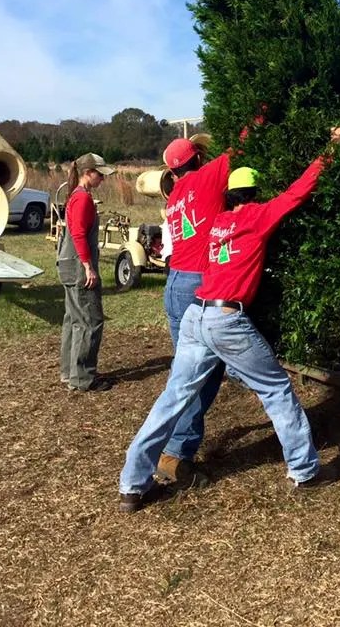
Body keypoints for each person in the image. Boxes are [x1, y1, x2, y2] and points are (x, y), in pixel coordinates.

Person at [118, 126, 340, 512]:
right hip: (226, 318)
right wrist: (329, 150)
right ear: (254, 194)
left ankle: (132, 483)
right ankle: (305, 471)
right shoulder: (257, 217)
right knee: (276, 390)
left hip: (195, 313)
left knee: (173, 397)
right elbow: (296, 192)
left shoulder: (212, 223)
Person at [154, 136, 235, 484]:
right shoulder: (208, 177)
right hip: (197, 285)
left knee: (185, 371)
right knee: (200, 374)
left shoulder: (174, 197)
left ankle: (170, 445)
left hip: (174, 284)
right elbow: (241, 145)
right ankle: (175, 454)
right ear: (198, 158)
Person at [57, 152, 116, 393]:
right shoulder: (82, 199)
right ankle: (82, 378)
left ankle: (69, 371)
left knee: (73, 319)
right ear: (86, 173)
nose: (102, 178)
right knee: (90, 321)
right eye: (99, 174)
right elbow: (79, 234)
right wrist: (88, 266)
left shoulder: (75, 196)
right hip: (79, 267)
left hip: (67, 264)